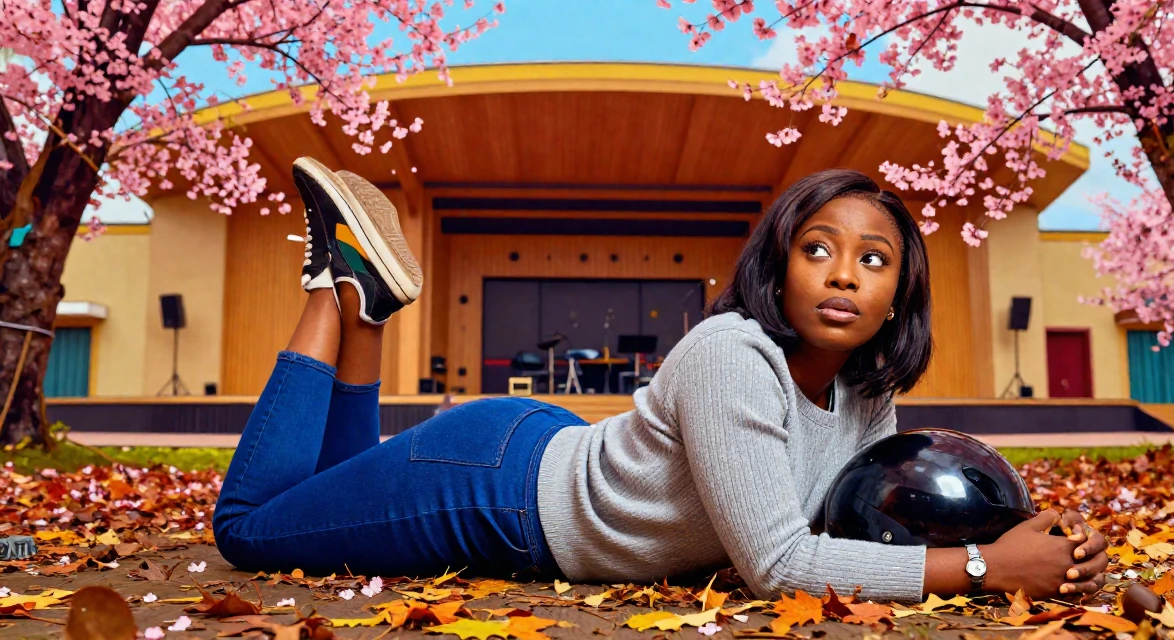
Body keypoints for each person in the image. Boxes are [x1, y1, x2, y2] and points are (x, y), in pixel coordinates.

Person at [213, 162, 1109, 602]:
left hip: (542, 460)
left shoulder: (867, 392)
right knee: (252, 531)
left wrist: (1034, 540)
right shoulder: (731, 354)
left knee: (326, 494)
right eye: (819, 249)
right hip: (495, 492)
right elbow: (780, 564)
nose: (844, 275)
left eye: (873, 259)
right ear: (779, 263)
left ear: (898, 292)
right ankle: (328, 295)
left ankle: (365, 303)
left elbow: (873, 515)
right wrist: (990, 568)